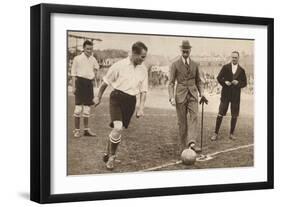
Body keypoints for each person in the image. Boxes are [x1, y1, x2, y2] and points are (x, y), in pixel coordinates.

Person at [94, 41, 148, 170]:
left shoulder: (143, 68)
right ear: (134, 53)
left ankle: (108, 152)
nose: (143, 59)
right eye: (142, 56)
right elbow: (105, 83)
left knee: (118, 130)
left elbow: (144, 90)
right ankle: (112, 157)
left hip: (130, 101)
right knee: (117, 128)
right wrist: (98, 97)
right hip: (117, 98)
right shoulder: (119, 66)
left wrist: (141, 108)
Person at [168, 40, 208, 154]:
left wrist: (202, 93)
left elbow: (199, 81)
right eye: (183, 49)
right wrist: (171, 97)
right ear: (181, 50)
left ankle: (192, 143)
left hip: (193, 95)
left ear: (190, 50)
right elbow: (171, 83)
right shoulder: (175, 64)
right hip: (180, 96)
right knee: (182, 122)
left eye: (187, 49)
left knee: (194, 117)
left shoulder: (195, 64)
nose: (185, 51)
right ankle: (182, 146)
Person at [210, 51, 247, 141]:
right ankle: (215, 133)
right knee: (220, 113)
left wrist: (238, 83)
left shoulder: (242, 70)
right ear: (231, 57)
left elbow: (244, 83)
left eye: (236, 57)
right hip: (225, 94)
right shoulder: (225, 67)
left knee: (234, 115)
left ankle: (231, 133)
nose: (234, 59)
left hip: (235, 96)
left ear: (238, 58)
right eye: (233, 57)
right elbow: (219, 78)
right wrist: (224, 82)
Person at [71, 40, 100, 138]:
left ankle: (86, 130)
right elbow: (73, 74)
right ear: (83, 48)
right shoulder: (77, 58)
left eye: (91, 49)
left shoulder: (93, 59)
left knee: (87, 109)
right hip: (79, 83)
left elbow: (96, 68)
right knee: (78, 109)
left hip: (88, 84)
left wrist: (93, 75)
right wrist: (74, 86)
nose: (89, 51)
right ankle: (77, 130)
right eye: (87, 49)